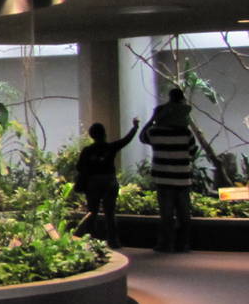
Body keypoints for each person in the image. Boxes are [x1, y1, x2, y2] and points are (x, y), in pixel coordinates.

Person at [140, 89, 197, 253]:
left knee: (166, 215)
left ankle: (166, 244)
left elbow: (142, 137)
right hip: (183, 179)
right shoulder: (186, 133)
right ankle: (182, 244)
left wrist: (153, 118)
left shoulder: (155, 131)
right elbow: (192, 151)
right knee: (184, 215)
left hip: (163, 180)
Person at [75, 117, 139, 246]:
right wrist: (135, 127)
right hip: (109, 181)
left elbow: (79, 167)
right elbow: (126, 140)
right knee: (110, 212)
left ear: (92, 135)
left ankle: (90, 241)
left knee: (92, 212)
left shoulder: (87, 151)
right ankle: (113, 240)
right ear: (104, 134)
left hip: (93, 183)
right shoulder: (110, 147)